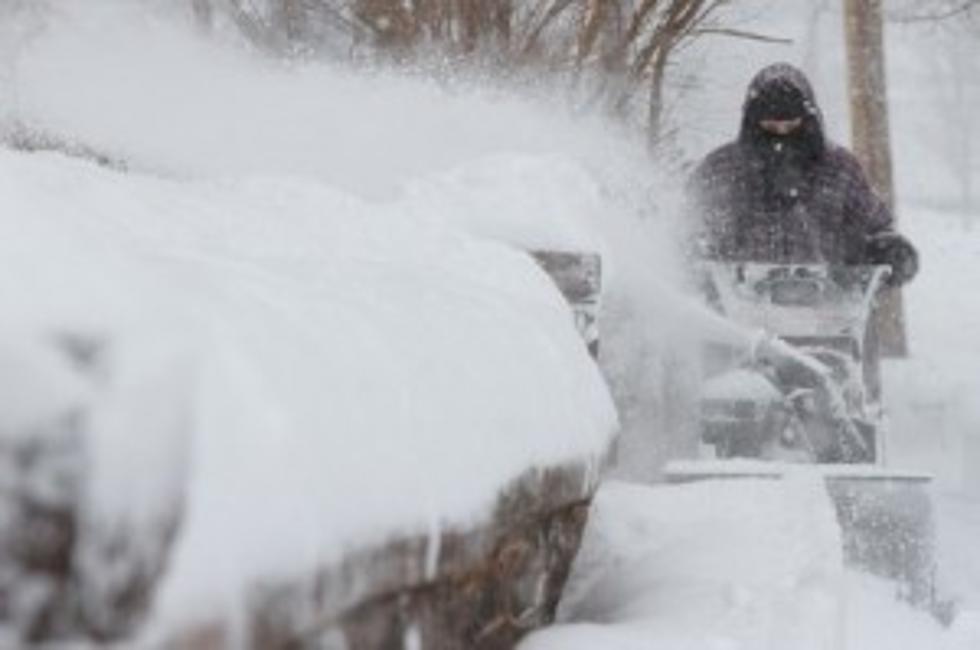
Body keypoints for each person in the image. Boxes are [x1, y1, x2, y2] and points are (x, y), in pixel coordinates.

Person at [685, 62, 918, 286]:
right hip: (739, 311)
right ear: (752, 123)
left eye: (791, 126)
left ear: (809, 121)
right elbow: (690, 229)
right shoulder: (721, 169)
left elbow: (875, 226)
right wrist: (701, 262)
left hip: (829, 311)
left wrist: (889, 252)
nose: (781, 135)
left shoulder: (840, 169)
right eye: (770, 127)